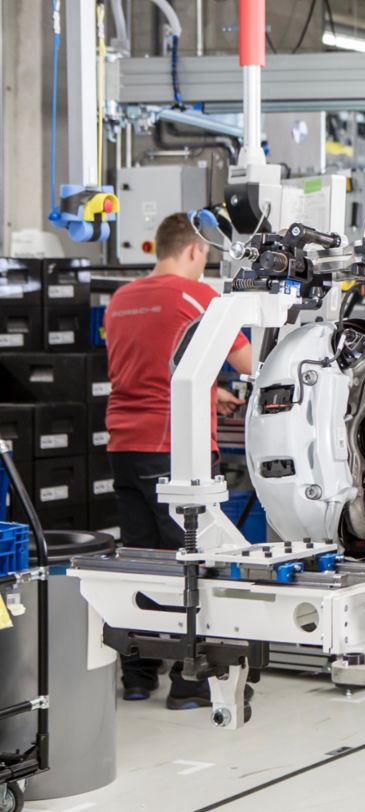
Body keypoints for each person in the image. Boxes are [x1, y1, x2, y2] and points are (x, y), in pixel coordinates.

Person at [105, 212, 252, 708]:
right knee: (189, 562)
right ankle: (189, 682)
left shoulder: (121, 300)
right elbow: (250, 363)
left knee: (140, 559)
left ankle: (138, 676)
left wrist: (212, 398)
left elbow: (146, 373)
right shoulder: (198, 297)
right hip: (176, 450)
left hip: (124, 444)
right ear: (194, 250)